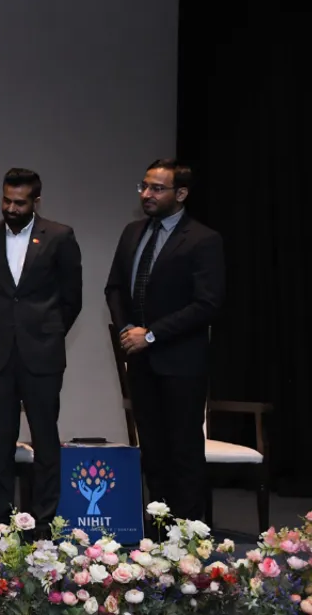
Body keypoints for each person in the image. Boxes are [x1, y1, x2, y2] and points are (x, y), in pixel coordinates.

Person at [105, 159, 224, 523]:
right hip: (140, 362)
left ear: (181, 193)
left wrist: (152, 335)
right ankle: (157, 532)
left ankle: (187, 535)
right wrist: (128, 330)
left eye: (157, 188)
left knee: (183, 451)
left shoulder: (203, 239)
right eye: (143, 186)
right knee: (153, 450)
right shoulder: (132, 232)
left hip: (181, 363)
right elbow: (113, 288)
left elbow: (207, 303)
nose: (146, 194)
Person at [0, 168, 82, 529]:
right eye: (6, 200)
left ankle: (44, 521)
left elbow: (72, 299)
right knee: (0, 443)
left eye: (19, 202)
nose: (11, 207)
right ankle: (1, 523)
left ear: (36, 202)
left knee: (45, 441)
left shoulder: (60, 236)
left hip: (43, 354)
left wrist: (47, 333)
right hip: (0, 355)